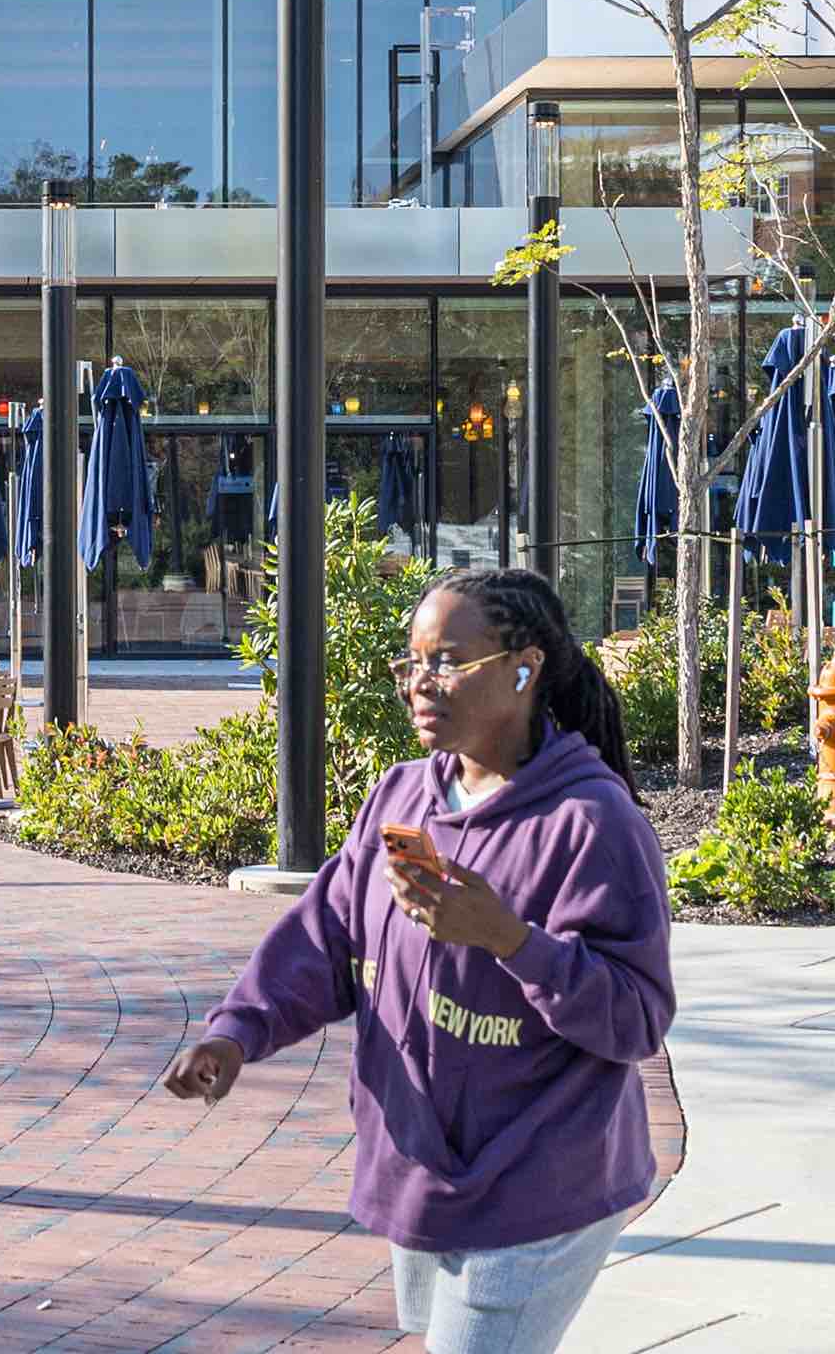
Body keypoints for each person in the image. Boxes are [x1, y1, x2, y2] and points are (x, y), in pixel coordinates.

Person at [161, 566, 673, 1354]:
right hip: (425, 1171)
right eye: (412, 662)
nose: (419, 684)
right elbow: (327, 935)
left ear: (523, 668)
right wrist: (237, 1032)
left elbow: (635, 1018)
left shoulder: (591, 822)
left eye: (446, 662)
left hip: (542, 1178)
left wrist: (508, 938)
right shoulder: (402, 799)